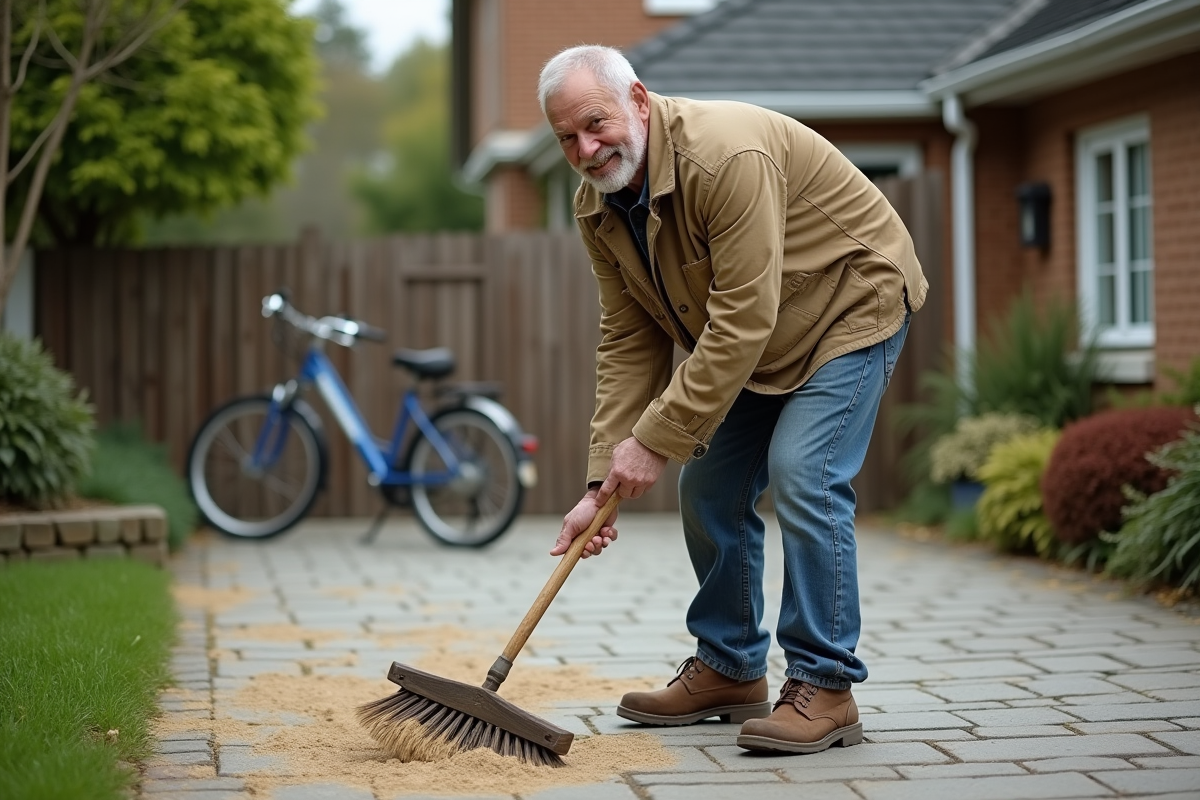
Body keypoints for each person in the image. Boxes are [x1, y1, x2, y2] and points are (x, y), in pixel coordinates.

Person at [540, 44, 926, 754]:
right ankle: (729, 666)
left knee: (805, 473)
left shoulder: (726, 157)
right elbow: (629, 338)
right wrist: (602, 479)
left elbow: (743, 315)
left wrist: (654, 438)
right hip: (765, 334)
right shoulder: (596, 205)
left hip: (849, 302)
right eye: (567, 137)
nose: (587, 148)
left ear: (639, 100)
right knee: (709, 485)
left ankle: (827, 685)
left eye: (595, 123)